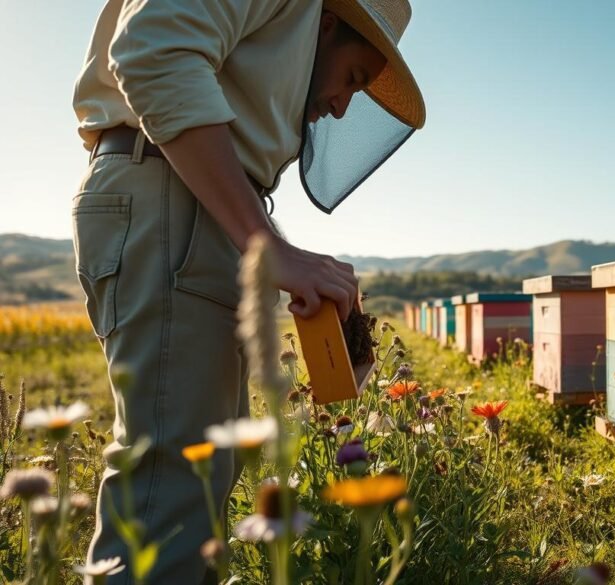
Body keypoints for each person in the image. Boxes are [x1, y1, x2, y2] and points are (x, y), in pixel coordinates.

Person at [72, 0, 425, 581]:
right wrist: (270, 249)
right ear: (328, 24)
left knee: (203, 473)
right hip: (166, 192)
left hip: (188, 200)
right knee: (172, 494)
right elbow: (154, 52)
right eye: (353, 78)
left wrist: (286, 259)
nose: (340, 106)